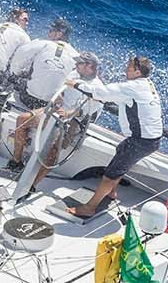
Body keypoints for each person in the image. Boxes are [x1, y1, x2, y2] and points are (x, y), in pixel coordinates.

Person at [67, 54, 163, 218]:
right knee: (121, 151)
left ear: (137, 72)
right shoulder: (147, 84)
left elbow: (99, 93)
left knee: (110, 175)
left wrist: (74, 83)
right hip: (148, 139)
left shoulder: (131, 87)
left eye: (129, 67)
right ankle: (111, 193)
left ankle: (89, 208)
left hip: (140, 141)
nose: (126, 69)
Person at [9, 50, 104, 187]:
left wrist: (69, 114)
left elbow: (84, 112)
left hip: (72, 121)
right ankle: (16, 161)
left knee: (53, 152)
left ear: (90, 66)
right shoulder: (74, 74)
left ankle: (32, 185)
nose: (76, 65)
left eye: (80, 63)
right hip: (56, 111)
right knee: (22, 119)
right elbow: (61, 92)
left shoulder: (98, 88)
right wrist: (57, 101)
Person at [6, 18, 75, 109]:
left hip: (28, 99)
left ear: (59, 34)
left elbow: (20, 55)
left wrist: (14, 74)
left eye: (51, 30)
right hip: (48, 105)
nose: (48, 33)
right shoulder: (75, 56)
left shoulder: (42, 43)